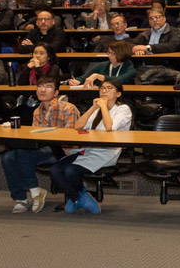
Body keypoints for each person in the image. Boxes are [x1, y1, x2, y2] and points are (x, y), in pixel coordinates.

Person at [48, 79, 132, 215]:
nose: (104, 91)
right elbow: (78, 126)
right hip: (88, 149)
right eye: (102, 88)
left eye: (109, 88)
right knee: (55, 170)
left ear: (118, 94)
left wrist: (104, 107)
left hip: (107, 152)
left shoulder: (123, 109)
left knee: (70, 171)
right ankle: (79, 197)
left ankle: (76, 197)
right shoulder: (96, 109)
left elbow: (109, 127)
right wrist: (93, 108)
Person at [2, 77, 80, 213]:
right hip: (43, 149)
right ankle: (21, 199)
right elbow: (35, 137)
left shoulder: (68, 108)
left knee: (22, 152)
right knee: (7, 157)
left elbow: (70, 139)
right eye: (40, 86)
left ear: (56, 92)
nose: (43, 90)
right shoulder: (37, 111)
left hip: (63, 151)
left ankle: (34, 191)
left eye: (48, 87)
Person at [71, 39, 137, 86]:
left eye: (113, 54)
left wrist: (97, 76)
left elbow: (119, 80)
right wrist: (76, 81)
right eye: (108, 53)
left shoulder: (130, 68)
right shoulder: (103, 65)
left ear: (121, 53)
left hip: (123, 100)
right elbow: (84, 78)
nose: (109, 56)